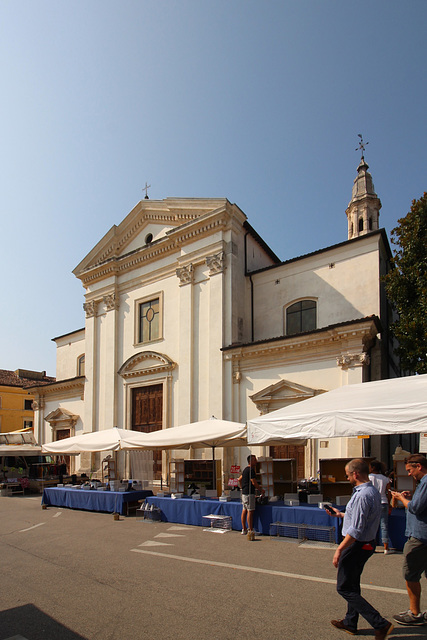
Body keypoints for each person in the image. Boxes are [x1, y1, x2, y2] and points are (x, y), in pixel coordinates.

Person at [328, 458, 394, 639]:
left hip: (357, 545)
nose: (347, 477)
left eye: (348, 474)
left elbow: (356, 530)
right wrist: (341, 514)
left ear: (355, 474)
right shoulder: (370, 491)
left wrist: (339, 549)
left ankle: (380, 623)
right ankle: (350, 622)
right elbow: (360, 519)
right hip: (365, 543)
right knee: (352, 584)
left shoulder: (363, 495)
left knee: (344, 588)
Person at [390, 453, 427, 626]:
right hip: (422, 535)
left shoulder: (425, 482)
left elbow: (415, 508)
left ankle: (415, 613)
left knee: (410, 574)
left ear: (419, 467)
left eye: (410, 470)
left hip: (420, 537)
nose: (409, 474)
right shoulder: (422, 483)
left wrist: (402, 499)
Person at [238, 454, 264, 540]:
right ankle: (251, 530)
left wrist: (242, 487)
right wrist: (260, 490)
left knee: (244, 510)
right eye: (254, 460)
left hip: (244, 493)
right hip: (249, 494)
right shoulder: (251, 470)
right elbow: (253, 482)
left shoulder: (245, 469)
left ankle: (244, 529)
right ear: (250, 461)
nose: (256, 461)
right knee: (250, 511)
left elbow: (239, 479)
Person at [369, 460, 392, 553]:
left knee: (371, 524)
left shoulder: (369, 477)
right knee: (384, 525)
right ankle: (386, 547)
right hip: (383, 501)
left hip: (373, 502)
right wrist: (390, 502)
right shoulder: (385, 478)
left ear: (373, 468)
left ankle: (371, 545)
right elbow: (389, 492)